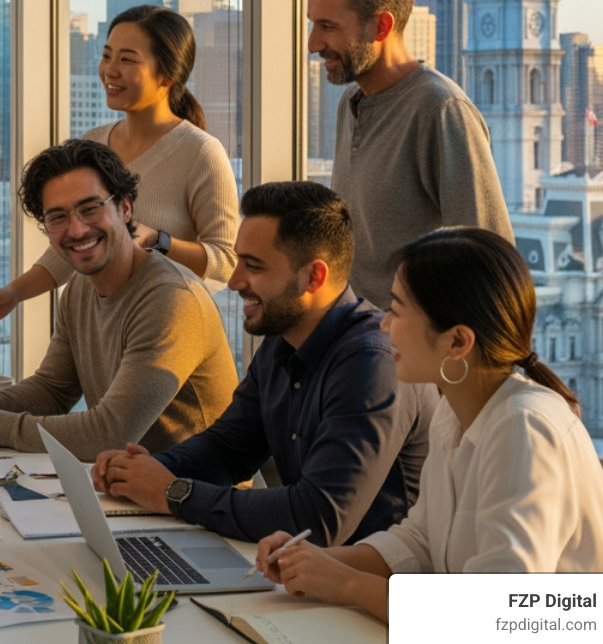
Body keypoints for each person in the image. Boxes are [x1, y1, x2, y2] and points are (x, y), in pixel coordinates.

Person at [253, 228, 603, 644]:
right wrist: (317, 561)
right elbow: (420, 540)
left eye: (397, 311)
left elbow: (499, 623)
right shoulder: (456, 411)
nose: (384, 324)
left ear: (457, 342)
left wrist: (347, 584)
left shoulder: (526, 428)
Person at [93, 181, 435, 545]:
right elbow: (229, 449)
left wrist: (175, 493)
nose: (236, 280)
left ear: (313, 277)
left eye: (253, 266)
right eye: (238, 260)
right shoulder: (282, 338)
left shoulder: (372, 364)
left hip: (371, 590)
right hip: (305, 575)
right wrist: (148, 471)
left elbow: (317, 518)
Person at [0, 139, 237, 460]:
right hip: (129, 486)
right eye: (57, 217)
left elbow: (110, 434)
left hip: (196, 495)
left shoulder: (171, 299)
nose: (76, 229)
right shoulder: (80, 289)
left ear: (125, 208)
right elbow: (53, 389)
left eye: (90, 209)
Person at [0, 5, 238, 335]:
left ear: (167, 76)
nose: (109, 70)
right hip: (105, 326)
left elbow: (226, 261)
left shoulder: (201, 152)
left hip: (171, 326)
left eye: (127, 60)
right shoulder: (93, 143)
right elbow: (74, 242)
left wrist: (158, 240)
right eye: (107, 55)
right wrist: (13, 294)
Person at [309, 0, 512, 309]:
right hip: (355, 345)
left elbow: (492, 266)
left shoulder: (442, 110)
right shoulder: (349, 103)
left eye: (328, 27)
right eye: (313, 24)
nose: (313, 44)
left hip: (413, 356)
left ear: (381, 25)